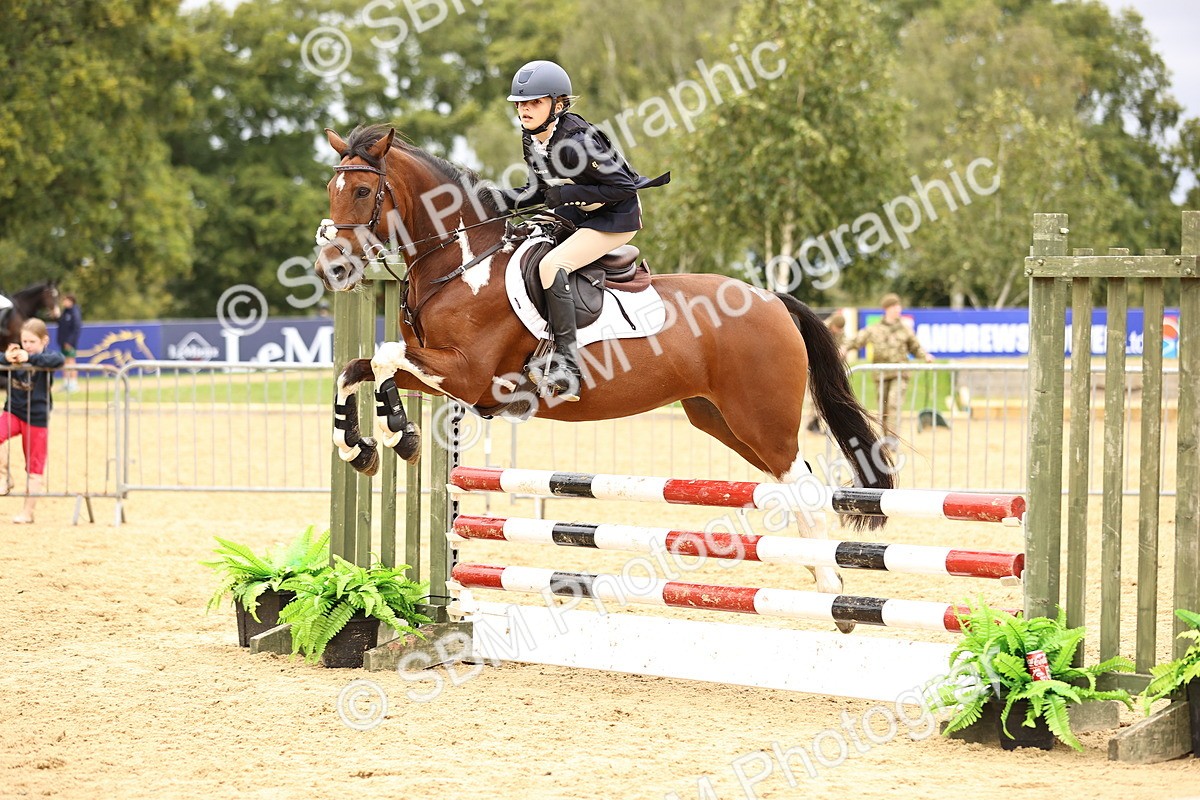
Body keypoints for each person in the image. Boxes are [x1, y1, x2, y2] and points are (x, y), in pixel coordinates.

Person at [497, 60, 670, 401]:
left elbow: (623, 188)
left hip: (615, 219)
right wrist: (495, 200)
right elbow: (539, 190)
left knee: (551, 265)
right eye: (520, 103)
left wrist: (570, 194)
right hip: (578, 215)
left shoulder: (579, 142)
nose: (524, 110)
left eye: (534, 102)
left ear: (557, 105)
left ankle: (568, 367)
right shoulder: (532, 138)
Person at [1, 319, 65, 523]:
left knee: (34, 468)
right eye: (24, 341)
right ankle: (4, 476)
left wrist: (31, 357)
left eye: (31, 341)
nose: (27, 345)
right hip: (13, 411)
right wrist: (6, 357)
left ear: (44, 340)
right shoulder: (15, 358)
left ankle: (27, 513)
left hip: (36, 418)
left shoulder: (46, 357)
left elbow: (58, 360)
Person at [843, 294, 934, 437]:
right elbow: (856, 341)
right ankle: (886, 437)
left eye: (898, 307)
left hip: (899, 374)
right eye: (894, 307)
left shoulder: (905, 329)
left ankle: (892, 439)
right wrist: (844, 349)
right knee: (883, 408)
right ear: (886, 309)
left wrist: (925, 356)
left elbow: (915, 347)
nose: (897, 310)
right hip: (881, 375)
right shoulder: (874, 329)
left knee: (894, 404)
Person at [805, 312, 848, 434]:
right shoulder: (821, 329)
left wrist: (844, 348)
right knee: (815, 396)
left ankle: (821, 423)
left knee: (830, 397)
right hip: (817, 369)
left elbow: (846, 342)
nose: (838, 331)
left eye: (840, 329)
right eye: (837, 328)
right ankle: (813, 422)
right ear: (832, 325)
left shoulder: (841, 333)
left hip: (831, 370)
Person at [56, 292, 81, 392]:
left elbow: (76, 329)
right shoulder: (65, 312)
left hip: (70, 343)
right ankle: (66, 383)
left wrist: (70, 342)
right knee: (65, 362)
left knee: (71, 361)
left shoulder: (74, 312)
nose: (64, 302)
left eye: (66, 300)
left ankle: (73, 383)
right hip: (63, 342)